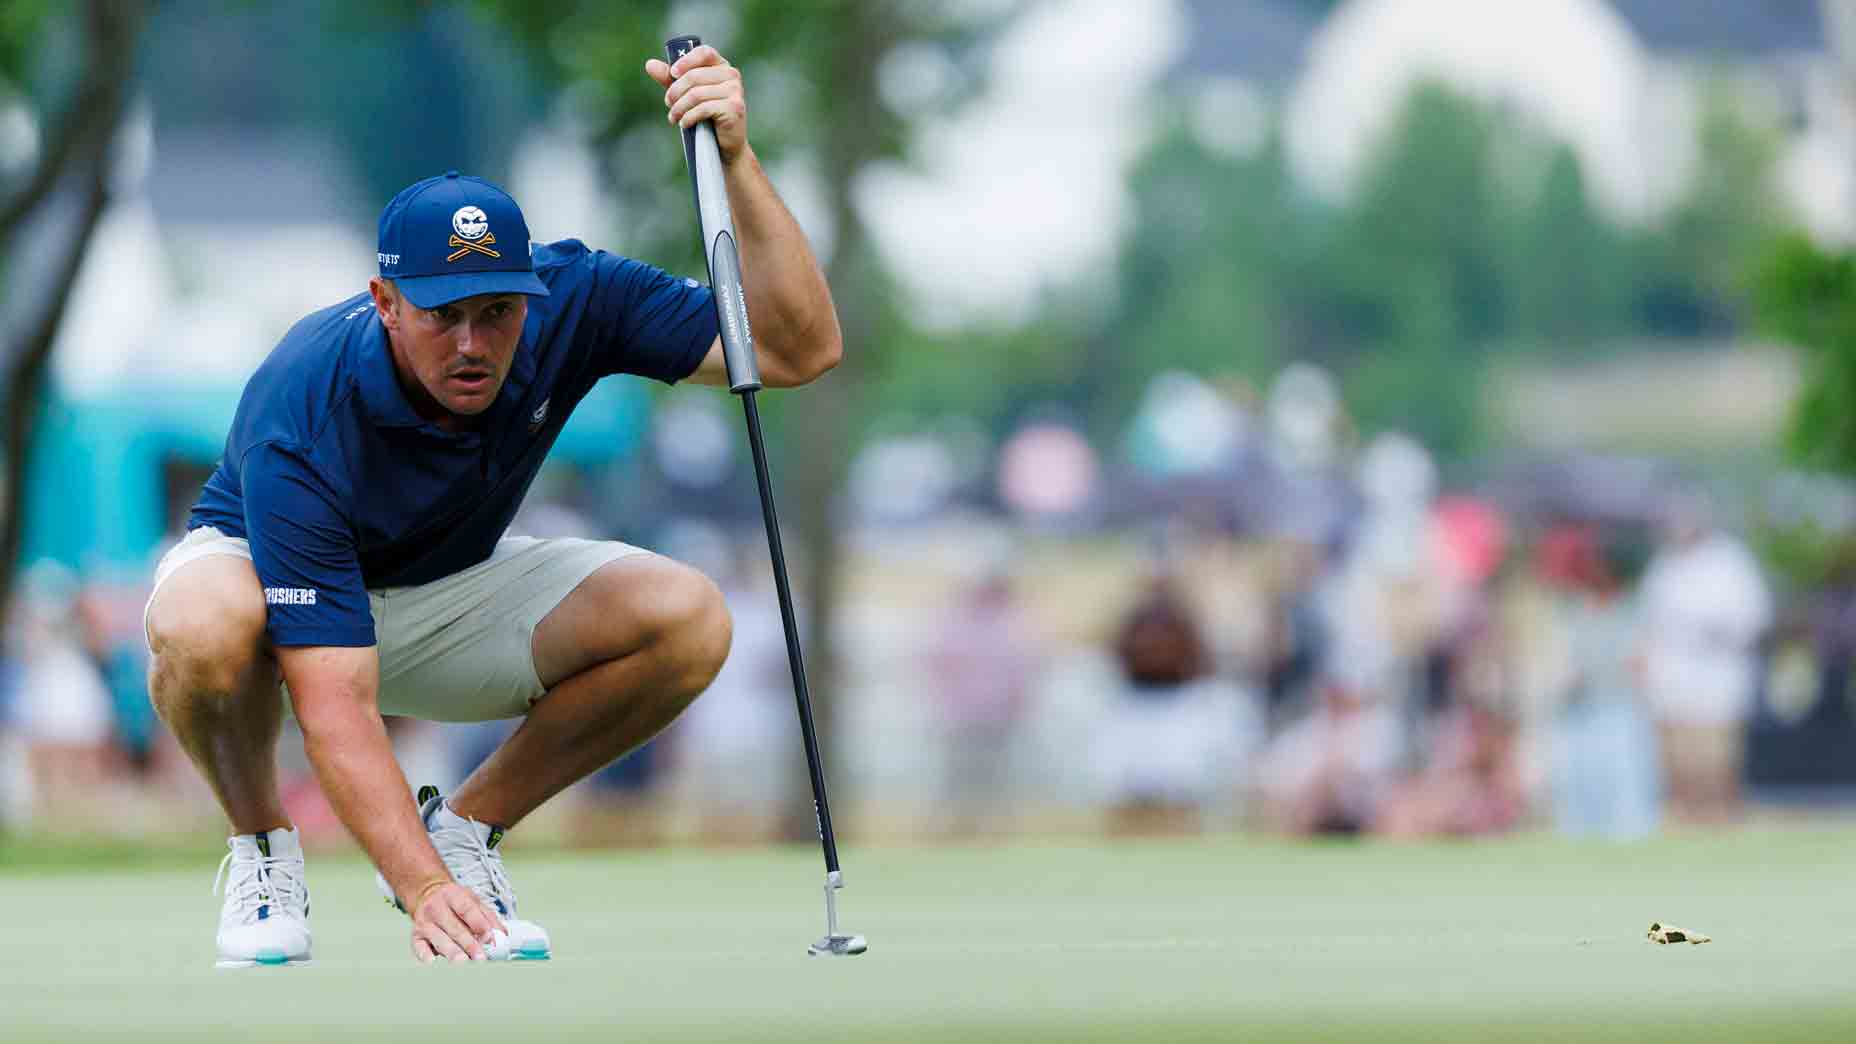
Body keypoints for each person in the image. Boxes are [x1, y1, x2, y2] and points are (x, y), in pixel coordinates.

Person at [141, 45, 840, 968]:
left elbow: (796, 349)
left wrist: (739, 164)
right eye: (442, 315)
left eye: (497, 312)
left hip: (446, 587)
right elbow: (335, 704)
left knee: (689, 620)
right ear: (384, 301)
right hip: (272, 587)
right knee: (203, 623)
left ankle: (464, 831)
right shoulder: (302, 402)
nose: (473, 343)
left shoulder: (579, 297)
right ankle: (265, 851)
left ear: (530, 294)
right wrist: (423, 895)